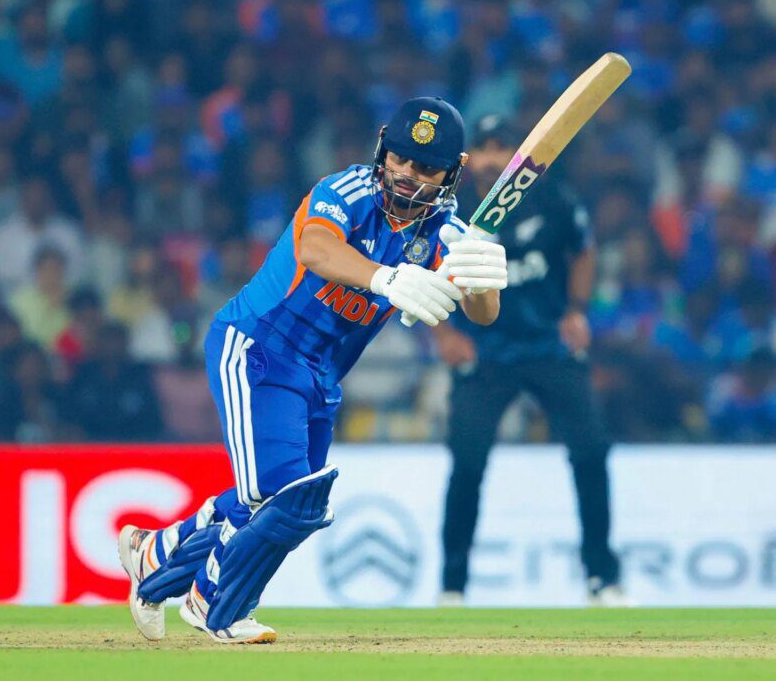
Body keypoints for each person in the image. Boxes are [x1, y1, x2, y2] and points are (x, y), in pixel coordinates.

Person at [117, 97, 508, 643]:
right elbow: (316, 249)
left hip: (320, 375)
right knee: (284, 496)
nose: (406, 173)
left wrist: (482, 271)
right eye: (399, 157)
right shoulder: (345, 191)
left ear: (451, 172)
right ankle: (214, 602)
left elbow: (482, 313)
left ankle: (156, 556)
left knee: (285, 504)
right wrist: (386, 277)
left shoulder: (446, 232)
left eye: (424, 166)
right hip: (258, 345)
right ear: (382, 148)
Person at [435, 115, 626, 607]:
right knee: (467, 464)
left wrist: (576, 310)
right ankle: (452, 587)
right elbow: (422, 268)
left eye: (502, 148)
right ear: (469, 159)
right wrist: (444, 334)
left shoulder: (553, 199)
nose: (492, 159)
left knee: (591, 453)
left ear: (518, 155)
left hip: (549, 346)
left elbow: (583, 250)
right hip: (485, 352)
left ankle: (602, 578)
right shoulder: (451, 210)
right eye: (483, 149)